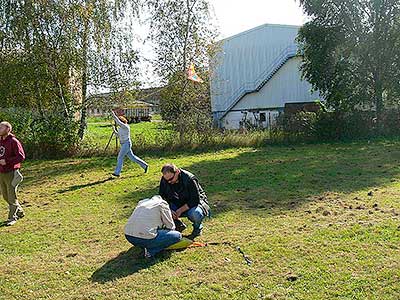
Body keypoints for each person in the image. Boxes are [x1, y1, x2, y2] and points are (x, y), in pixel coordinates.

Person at [159, 163, 210, 239]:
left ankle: (197, 228)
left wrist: (180, 210)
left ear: (177, 172)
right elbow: (161, 197)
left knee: (195, 214)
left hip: (193, 204)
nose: (169, 182)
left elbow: (195, 200)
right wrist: (169, 209)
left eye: (171, 179)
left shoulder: (189, 179)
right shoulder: (165, 180)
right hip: (176, 202)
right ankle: (177, 224)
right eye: (167, 180)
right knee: (161, 210)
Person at [0, 121, 25, 226]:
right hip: (1, 172)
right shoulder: (0, 141)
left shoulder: (14, 141)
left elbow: (21, 157)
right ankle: (19, 211)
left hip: (11, 173)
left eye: (1, 127)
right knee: (5, 196)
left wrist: (7, 161)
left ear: (8, 129)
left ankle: (12, 218)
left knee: (11, 196)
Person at [110, 109, 148, 177]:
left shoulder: (125, 127)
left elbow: (118, 122)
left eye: (120, 122)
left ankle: (117, 173)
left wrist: (113, 115)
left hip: (126, 144)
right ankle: (145, 166)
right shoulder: (120, 128)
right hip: (123, 144)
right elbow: (118, 135)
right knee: (133, 158)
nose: (118, 124)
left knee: (120, 157)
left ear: (122, 121)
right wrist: (114, 130)